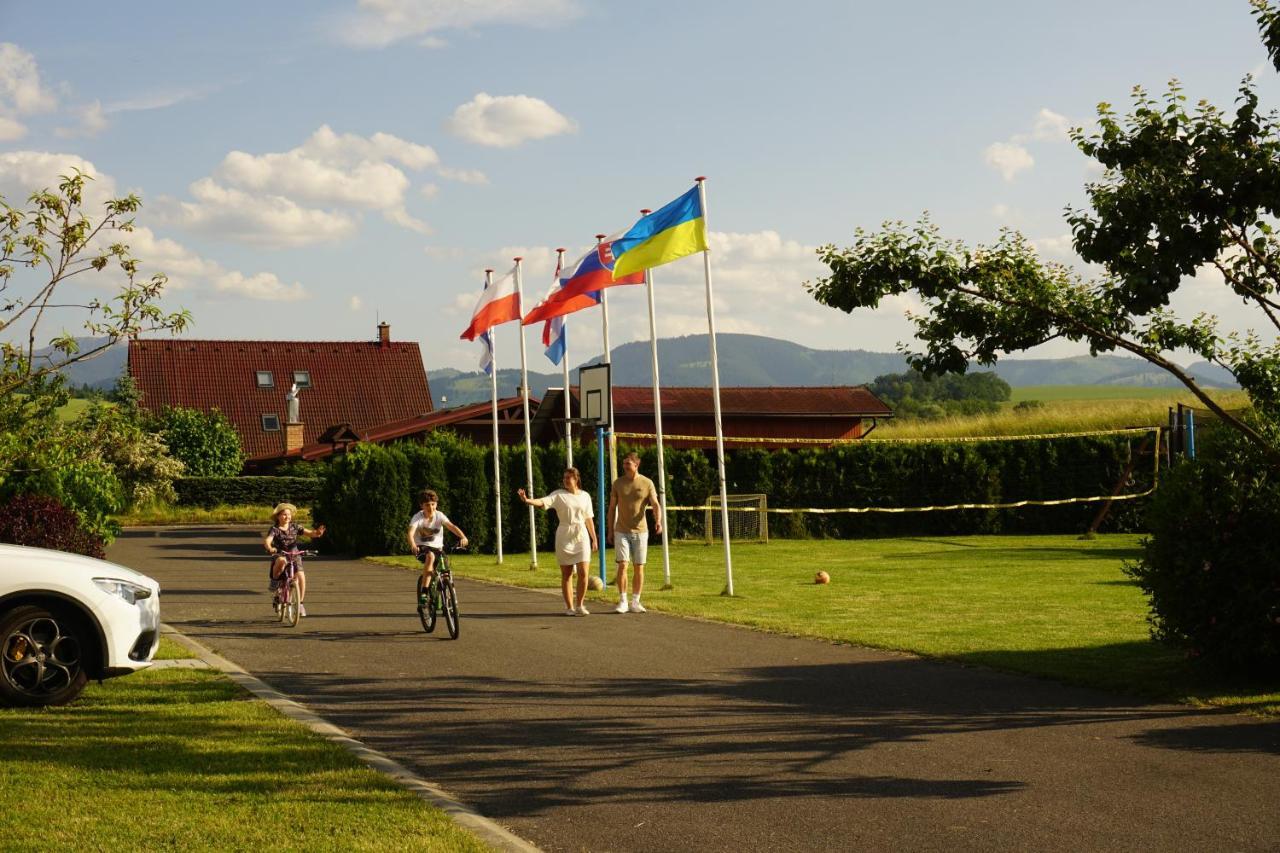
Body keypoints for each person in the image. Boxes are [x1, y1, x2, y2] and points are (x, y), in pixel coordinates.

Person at [518, 467, 598, 616]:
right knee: (567, 574)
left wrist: (594, 538)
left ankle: (580, 605)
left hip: (582, 535)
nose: (565, 480)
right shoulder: (558, 495)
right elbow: (542, 502)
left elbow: (589, 518)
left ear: (576, 479)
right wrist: (527, 500)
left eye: (569, 477)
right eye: (564, 478)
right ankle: (569, 607)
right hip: (564, 535)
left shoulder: (585, 496)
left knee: (583, 573)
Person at [606, 452, 662, 614]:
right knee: (623, 565)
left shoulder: (647, 483)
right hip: (621, 530)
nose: (625, 466)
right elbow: (611, 508)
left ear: (636, 465)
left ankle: (635, 601)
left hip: (641, 531)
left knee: (639, 567)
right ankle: (623, 600)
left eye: (628, 463)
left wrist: (658, 521)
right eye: (624, 463)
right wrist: (610, 530)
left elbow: (655, 504)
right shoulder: (618, 483)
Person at [407, 489, 468, 607]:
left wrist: (463, 537)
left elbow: (451, 526)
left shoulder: (439, 515)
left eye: (433, 504)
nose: (430, 507)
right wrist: (413, 545)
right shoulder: (417, 517)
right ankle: (424, 593)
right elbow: (410, 533)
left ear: (436, 504)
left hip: (438, 549)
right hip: (422, 548)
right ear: (421, 506)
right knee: (430, 556)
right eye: (427, 505)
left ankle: (448, 598)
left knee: (446, 573)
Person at [265, 503, 325, 617]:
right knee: (281, 561)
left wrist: (317, 533)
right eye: (284, 514)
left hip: (294, 553)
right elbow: (268, 540)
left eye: (289, 514)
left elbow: (310, 533)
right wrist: (270, 547)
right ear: (278, 516)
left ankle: (300, 603)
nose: (287, 517)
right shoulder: (275, 529)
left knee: (301, 576)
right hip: (280, 553)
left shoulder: (295, 527)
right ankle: (275, 581)